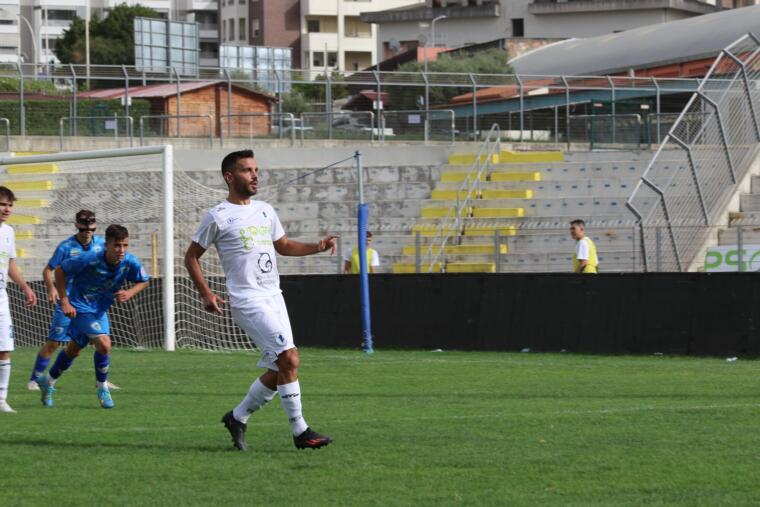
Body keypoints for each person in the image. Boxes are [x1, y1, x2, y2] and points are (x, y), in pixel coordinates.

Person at [184, 149, 337, 452]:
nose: (255, 175)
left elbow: (284, 245)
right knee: (289, 358)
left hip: (274, 297)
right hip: (247, 299)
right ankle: (300, 431)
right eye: (247, 170)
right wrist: (206, 293)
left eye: (255, 170)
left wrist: (317, 247)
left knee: (281, 369)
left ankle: (237, 417)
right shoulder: (218, 216)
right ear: (229, 177)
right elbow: (191, 258)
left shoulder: (265, 210)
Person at [36, 224, 149, 409]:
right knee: (104, 344)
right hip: (79, 307)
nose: (121, 250)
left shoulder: (130, 261)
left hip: (99, 310)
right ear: (107, 245)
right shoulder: (89, 258)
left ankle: (47, 381)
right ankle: (102, 388)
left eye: (125, 245)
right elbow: (60, 271)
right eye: (117, 245)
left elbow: (143, 281)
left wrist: (129, 292)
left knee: (74, 350)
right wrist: (64, 301)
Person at [27, 210, 119, 391]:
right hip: (68, 301)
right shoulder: (66, 247)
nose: (87, 232)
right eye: (84, 229)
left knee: (102, 342)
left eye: (91, 229)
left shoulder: (101, 245)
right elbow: (48, 270)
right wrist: (52, 288)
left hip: (92, 303)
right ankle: (34, 380)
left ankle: (102, 381)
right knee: (54, 343)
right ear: (77, 226)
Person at [0, 186, 38, 413]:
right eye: (2, 204)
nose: (7, 209)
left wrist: (25, 287)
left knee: (4, 348)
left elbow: (10, 263)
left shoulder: (8, 232)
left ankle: (1, 400)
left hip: (1, 297)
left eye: (10, 205)